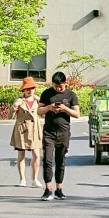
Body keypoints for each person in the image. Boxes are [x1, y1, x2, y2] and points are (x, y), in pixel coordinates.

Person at [39, 71, 79, 199]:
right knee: (48, 160)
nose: (58, 89)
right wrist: (49, 108)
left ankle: (59, 188)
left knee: (61, 160)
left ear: (65, 83)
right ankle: (48, 188)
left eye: (60, 86)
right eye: (56, 86)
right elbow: (39, 111)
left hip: (64, 132)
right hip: (49, 132)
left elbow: (77, 114)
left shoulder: (71, 95)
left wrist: (65, 109)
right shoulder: (47, 93)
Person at [10, 76, 44, 189]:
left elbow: (44, 113)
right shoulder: (19, 100)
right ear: (23, 90)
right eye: (28, 88)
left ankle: (35, 179)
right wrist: (14, 107)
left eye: (32, 88)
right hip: (22, 129)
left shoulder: (39, 100)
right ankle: (22, 179)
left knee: (36, 154)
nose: (30, 91)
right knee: (21, 155)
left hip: (35, 129)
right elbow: (10, 116)